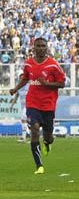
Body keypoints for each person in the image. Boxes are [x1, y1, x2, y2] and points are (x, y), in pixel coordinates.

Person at [9, 38, 66, 175]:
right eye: (38, 46)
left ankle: (47, 143)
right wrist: (16, 88)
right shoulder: (29, 63)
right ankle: (39, 165)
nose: (41, 48)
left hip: (48, 105)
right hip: (32, 103)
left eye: (43, 46)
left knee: (48, 136)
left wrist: (47, 84)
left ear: (46, 48)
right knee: (34, 130)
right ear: (33, 48)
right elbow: (25, 78)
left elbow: (62, 83)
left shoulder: (53, 65)